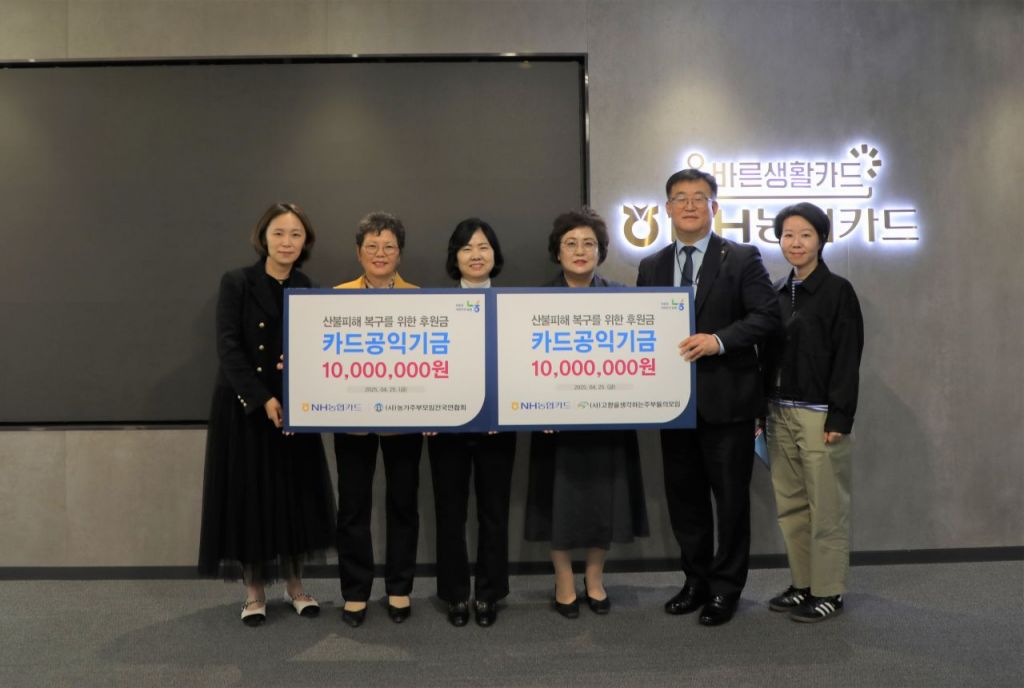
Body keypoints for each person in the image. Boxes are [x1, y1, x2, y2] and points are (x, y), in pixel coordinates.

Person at [637, 169, 782, 626]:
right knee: (686, 502)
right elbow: (643, 330)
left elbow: (767, 317)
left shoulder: (740, 257)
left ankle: (726, 589)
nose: (689, 205)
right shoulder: (652, 265)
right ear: (667, 209)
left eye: (699, 197)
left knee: (732, 503)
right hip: (673, 406)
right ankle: (695, 581)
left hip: (728, 402)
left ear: (714, 207)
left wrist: (718, 340)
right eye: (680, 198)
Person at [198, 202, 337, 626]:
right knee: (250, 499)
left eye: (296, 234)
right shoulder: (237, 282)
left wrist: (297, 390)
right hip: (246, 407)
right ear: (263, 237)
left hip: (295, 407)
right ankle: (254, 592)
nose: (287, 242)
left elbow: (318, 348)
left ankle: (296, 588)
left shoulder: (309, 288)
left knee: (294, 498)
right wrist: (263, 398)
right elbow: (228, 348)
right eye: (279, 233)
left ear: (305, 241)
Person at [525, 207, 650, 619]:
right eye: (571, 243)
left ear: (601, 251)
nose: (580, 251)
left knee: (603, 501)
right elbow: (522, 363)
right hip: (553, 424)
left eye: (589, 244)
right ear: (557, 251)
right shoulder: (533, 301)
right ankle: (563, 580)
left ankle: (594, 578)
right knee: (557, 502)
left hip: (607, 421)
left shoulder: (623, 297)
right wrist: (536, 409)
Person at [761, 202, 864, 623]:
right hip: (778, 413)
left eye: (805, 234)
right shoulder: (775, 292)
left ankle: (828, 591)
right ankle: (802, 583)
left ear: (821, 239)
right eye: (788, 234)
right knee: (791, 506)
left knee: (826, 508)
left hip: (819, 416)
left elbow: (847, 357)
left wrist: (840, 416)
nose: (796, 242)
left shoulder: (838, 291)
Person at [333, 211, 424, 628]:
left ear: (399, 253)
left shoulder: (420, 299)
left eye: (389, 246)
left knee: (403, 503)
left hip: (405, 418)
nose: (380, 254)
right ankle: (355, 592)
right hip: (352, 417)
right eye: (372, 246)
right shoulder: (335, 299)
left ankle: (399, 587)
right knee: (353, 506)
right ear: (359, 253)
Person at [427, 218, 517, 628]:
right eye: (466, 248)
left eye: (483, 247)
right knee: (450, 514)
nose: (476, 255)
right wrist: (425, 412)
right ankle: (455, 595)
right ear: (455, 257)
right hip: (447, 430)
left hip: (499, 429)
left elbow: (520, 366)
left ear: (495, 254)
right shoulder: (436, 308)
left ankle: (488, 594)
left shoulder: (513, 307)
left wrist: (508, 410)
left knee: (494, 513)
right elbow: (427, 366)